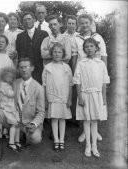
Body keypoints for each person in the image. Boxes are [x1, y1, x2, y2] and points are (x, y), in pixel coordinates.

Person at [0, 57, 45, 162]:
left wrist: (34, 124)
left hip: (27, 122)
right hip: (13, 119)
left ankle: (24, 136)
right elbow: (4, 93)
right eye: (21, 67)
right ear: (18, 70)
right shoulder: (14, 83)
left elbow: (41, 112)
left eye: (26, 67)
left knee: (36, 139)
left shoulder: (38, 88)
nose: (24, 70)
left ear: (32, 68)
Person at [73, 38, 110, 157]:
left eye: (91, 46)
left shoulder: (101, 63)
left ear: (96, 48)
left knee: (94, 121)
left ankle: (94, 145)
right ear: (84, 49)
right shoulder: (81, 63)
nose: (89, 48)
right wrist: (79, 96)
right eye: (87, 47)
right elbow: (77, 81)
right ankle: (88, 145)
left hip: (97, 94)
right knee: (86, 120)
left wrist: (103, 97)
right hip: (85, 94)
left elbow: (104, 82)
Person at [75, 13, 108, 143]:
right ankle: (85, 131)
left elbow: (104, 56)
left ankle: (95, 130)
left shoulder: (98, 37)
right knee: (85, 101)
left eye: (86, 22)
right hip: (83, 71)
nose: (84, 25)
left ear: (90, 23)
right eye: (81, 23)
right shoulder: (76, 38)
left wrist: (104, 76)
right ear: (79, 24)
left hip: (96, 72)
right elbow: (74, 57)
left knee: (96, 101)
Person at [42, 43, 73, 152]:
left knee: (62, 119)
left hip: (63, 96)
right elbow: (44, 85)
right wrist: (45, 100)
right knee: (54, 118)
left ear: (63, 54)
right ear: (51, 53)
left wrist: (69, 99)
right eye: (55, 52)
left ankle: (62, 140)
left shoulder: (66, 67)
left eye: (59, 52)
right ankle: (56, 140)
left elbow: (70, 84)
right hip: (52, 96)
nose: (57, 54)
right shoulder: (47, 68)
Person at [16, 12, 48, 84]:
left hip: (41, 70)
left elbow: (46, 52)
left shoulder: (43, 34)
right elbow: (19, 54)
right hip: (26, 71)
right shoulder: (20, 36)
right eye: (25, 20)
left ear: (34, 20)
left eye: (29, 19)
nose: (27, 21)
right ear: (23, 22)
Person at [0, 67, 21, 153]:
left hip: (10, 107)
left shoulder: (7, 84)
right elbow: (11, 94)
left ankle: (16, 141)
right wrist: (16, 88)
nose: (10, 79)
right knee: (14, 124)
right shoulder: (4, 85)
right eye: (8, 77)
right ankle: (11, 142)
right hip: (6, 108)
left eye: (11, 77)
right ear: (3, 77)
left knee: (17, 123)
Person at [63, 15, 79, 127]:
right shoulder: (63, 36)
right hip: (66, 61)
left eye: (73, 23)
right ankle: (66, 115)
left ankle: (76, 116)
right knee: (66, 87)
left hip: (77, 61)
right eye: (69, 23)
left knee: (76, 87)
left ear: (76, 25)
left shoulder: (79, 36)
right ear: (66, 24)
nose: (71, 25)